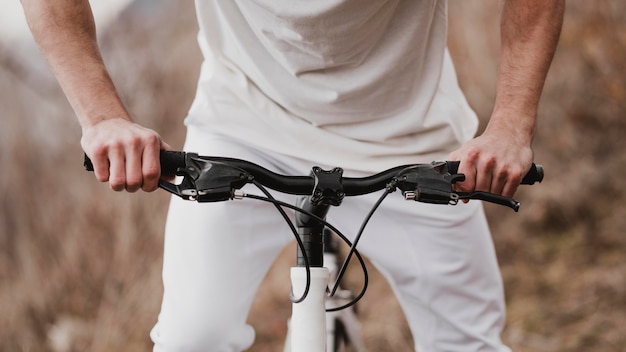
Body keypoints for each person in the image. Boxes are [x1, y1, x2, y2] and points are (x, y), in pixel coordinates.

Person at [21, 0, 564, 351]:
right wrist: (103, 117)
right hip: (242, 127)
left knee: (465, 345)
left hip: (411, 137)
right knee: (191, 340)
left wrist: (510, 126)